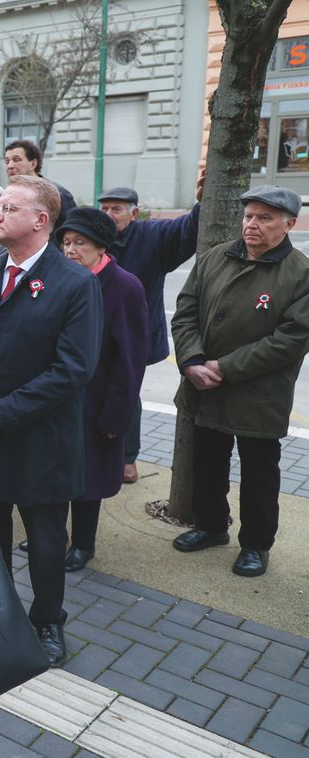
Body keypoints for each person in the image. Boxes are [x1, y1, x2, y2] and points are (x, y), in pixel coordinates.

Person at [0, 175, 103, 666]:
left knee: (47, 543)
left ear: (40, 220)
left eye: (8, 208)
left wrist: (4, 412)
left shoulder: (76, 283)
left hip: (40, 441)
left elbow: (73, 369)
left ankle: (48, 621)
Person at [170, 185, 309, 579]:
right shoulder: (216, 256)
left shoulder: (301, 273)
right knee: (208, 461)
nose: (252, 224)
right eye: (249, 216)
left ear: (289, 225)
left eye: (265, 218)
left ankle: (256, 544)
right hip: (203, 384)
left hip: (259, 394)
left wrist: (224, 367)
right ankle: (211, 526)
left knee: (260, 471)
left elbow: (292, 340)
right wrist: (192, 360)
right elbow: (186, 310)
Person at [54, 208, 148, 572]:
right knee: (57, 471)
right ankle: (54, 533)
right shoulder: (63, 279)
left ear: (101, 247)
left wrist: (115, 416)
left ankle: (83, 544)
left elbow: (129, 360)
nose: (70, 251)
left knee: (88, 479)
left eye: (80, 243)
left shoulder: (123, 286)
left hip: (97, 403)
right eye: (66, 242)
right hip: (60, 399)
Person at [98, 181, 203, 484]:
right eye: (104, 209)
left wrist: (202, 203)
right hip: (96, 335)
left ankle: (127, 459)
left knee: (127, 393)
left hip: (135, 336)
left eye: (116, 209)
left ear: (134, 214)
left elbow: (189, 229)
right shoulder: (93, 236)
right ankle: (102, 453)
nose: (108, 215)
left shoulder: (151, 236)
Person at [3, 139, 74, 240]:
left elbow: (69, 233)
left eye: (16, 160)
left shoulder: (58, 194)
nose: (10, 166)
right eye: (7, 161)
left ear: (33, 164)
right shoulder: (7, 195)